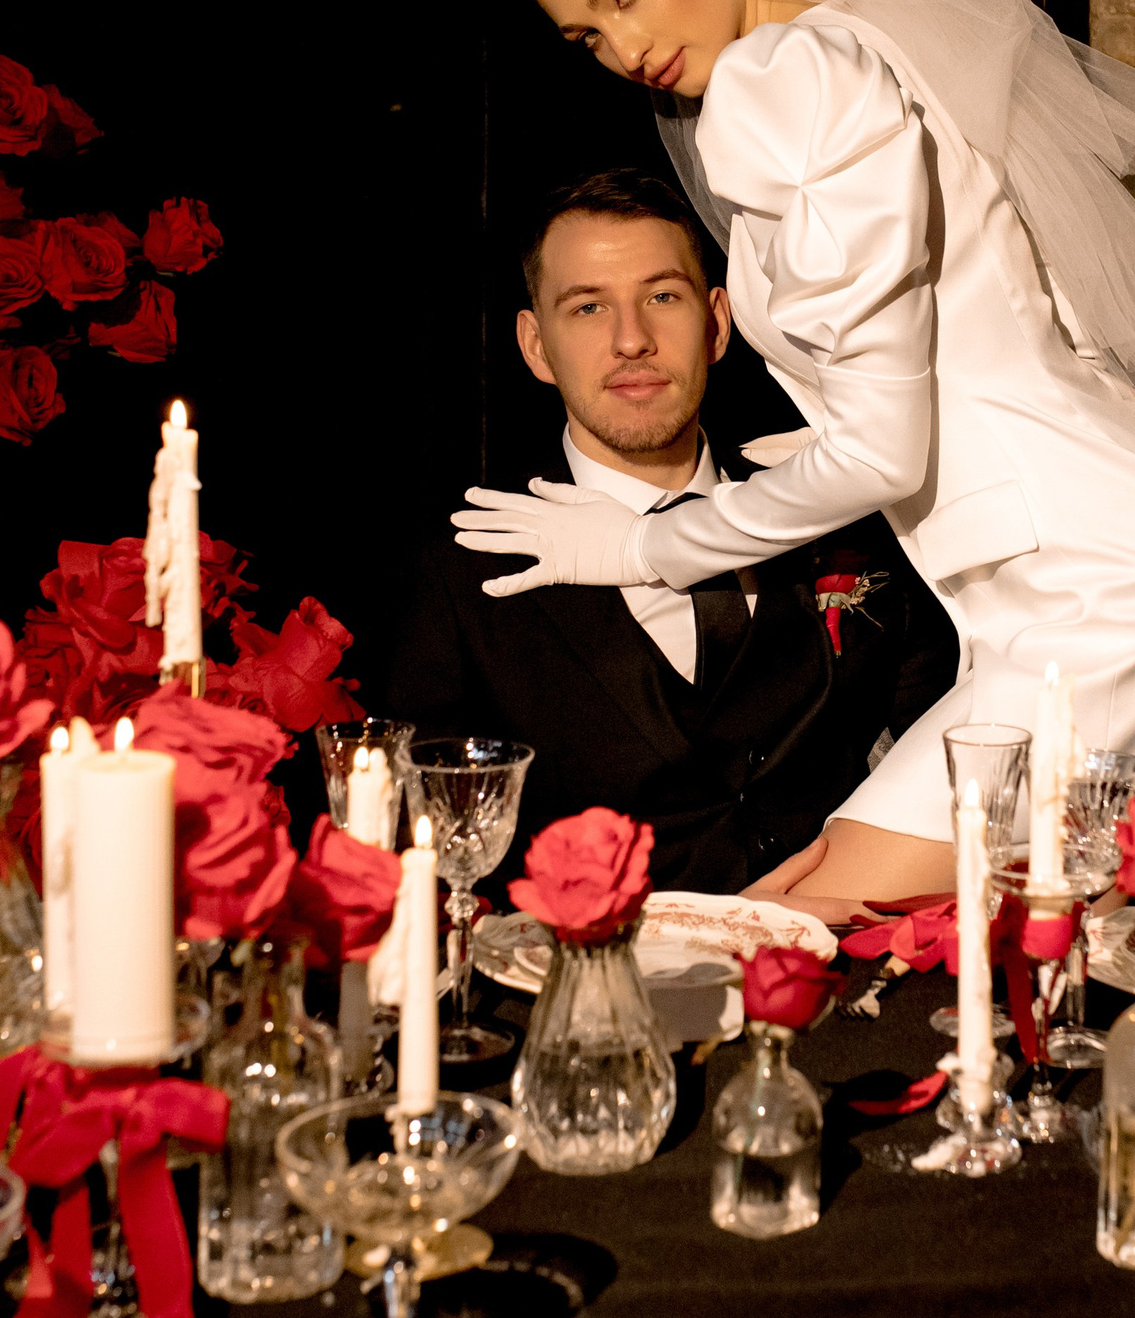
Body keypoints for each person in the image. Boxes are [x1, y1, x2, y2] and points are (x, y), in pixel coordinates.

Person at [454, 0, 1135, 917]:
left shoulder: (775, 80)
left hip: (1109, 582)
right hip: (1121, 540)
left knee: (801, 919)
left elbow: (886, 452)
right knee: (1065, 931)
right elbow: (987, 324)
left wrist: (647, 547)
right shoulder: (868, 43)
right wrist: (825, 436)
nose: (627, 50)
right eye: (588, 38)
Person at [387, 167, 957, 897]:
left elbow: (942, 762)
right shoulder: (457, 568)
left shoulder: (852, 517)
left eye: (663, 296)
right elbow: (430, 854)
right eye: (588, 307)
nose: (632, 340)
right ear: (535, 345)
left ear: (717, 322)